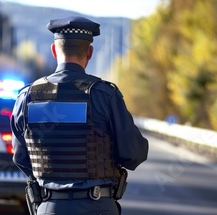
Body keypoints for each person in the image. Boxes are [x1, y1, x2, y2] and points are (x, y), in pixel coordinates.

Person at [10, 16, 149, 215]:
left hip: (49, 207)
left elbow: (21, 157)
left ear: (54, 49)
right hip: (97, 206)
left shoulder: (27, 97)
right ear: (90, 52)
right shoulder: (104, 94)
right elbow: (133, 154)